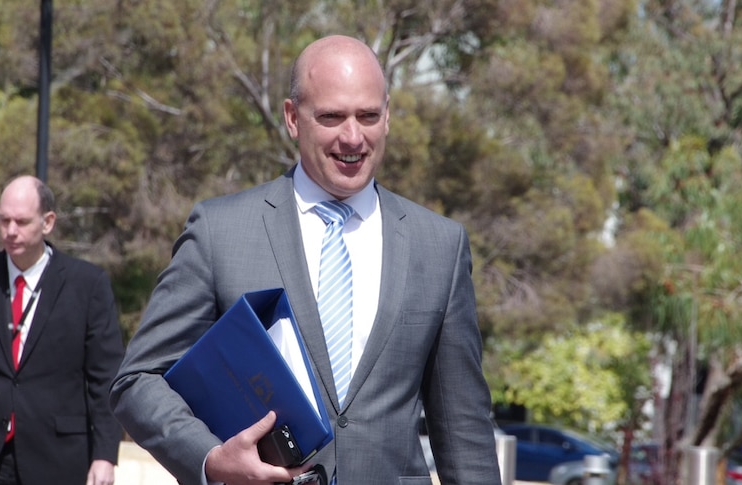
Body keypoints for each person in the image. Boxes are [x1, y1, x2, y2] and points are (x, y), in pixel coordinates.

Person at [109, 34, 501, 484]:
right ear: (293, 118)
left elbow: (463, 429)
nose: (353, 137)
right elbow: (139, 379)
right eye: (332, 117)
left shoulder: (440, 246)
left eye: (369, 116)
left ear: (388, 116)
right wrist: (211, 459)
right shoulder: (221, 231)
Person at [0, 175, 125, 485]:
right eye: (4, 220)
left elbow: (104, 379)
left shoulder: (87, 285)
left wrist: (104, 455)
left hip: (58, 461)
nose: (10, 231)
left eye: (21, 222)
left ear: (48, 222)